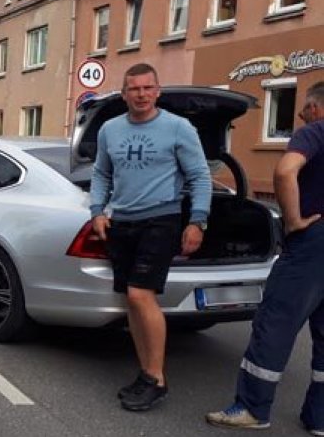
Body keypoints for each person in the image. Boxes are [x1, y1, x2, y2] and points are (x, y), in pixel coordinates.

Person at [90, 62, 212, 412]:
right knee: (131, 300)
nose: (141, 94)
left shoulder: (178, 128)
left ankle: (157, 378)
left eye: (147, 88)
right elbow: (101, 173)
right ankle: (146, 373)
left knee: (140, 294)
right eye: (133, 89)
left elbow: (200, 177)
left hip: (162, 218)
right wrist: (97, 210)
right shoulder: (109, 130)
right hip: (122, 221)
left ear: (157, 91)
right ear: (124, 93)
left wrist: (198, 221)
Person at [206, 80, 324, 433]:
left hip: (313, 241)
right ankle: (319, 418)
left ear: (317, 107)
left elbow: (285, 171)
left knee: (275, 323)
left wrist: (293, 222)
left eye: (304, 108)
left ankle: (252, 408)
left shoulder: (315, 132)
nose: (302, 116)